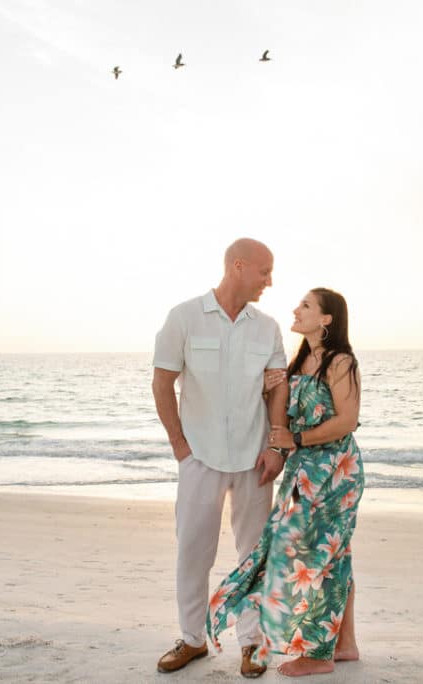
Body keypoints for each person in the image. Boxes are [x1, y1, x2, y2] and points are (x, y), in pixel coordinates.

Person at [206, 287, 364, 677]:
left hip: (334, 471)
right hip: (303, 470)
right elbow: (288, 412)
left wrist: (295, 440)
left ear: (327, 320)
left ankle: (319, 654)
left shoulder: (340, 362)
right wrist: (265, 390)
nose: (296, 309)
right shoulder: (302, 360)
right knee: (333, 554)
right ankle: (345, 644)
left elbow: (347, 421)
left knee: (316, 558)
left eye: (306, 305)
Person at [152, 238, 290, 678]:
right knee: (193, 551)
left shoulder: (267, 327)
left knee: (253, 555)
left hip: (254, 459)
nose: (270, 281)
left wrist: (273, 446)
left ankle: (252, 643)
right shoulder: (185, 317)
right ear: (238, 266)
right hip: (200, 458)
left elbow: (277, 389)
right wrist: (180, 446)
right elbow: (162, 383)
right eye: (264, 272)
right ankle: (193, 640)